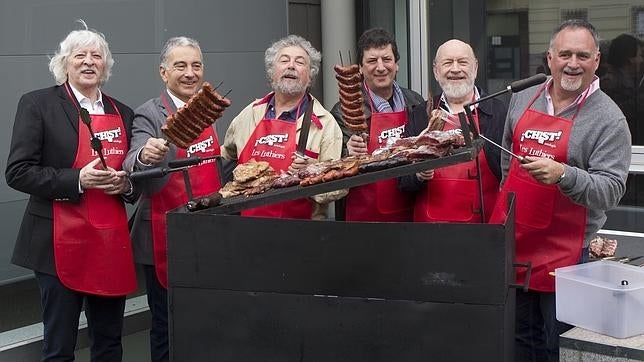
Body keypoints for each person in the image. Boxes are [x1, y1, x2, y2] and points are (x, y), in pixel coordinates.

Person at [489, 19, 631, 361]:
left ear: (596, 60)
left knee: (559, 346)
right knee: (520, 342)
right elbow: (509, 166)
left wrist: (564, 175)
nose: (572, 63)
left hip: (566, 257)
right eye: (564, 53)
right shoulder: (523, 98)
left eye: (582, 55)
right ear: (549, 57)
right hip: (516, 248)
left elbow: (611, 190)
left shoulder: (609, 119)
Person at [5, 20, 136, 361]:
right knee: (59, 346)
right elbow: (18, 172)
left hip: (109, 243)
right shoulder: (37, 104)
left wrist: (127, 183)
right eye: (80, 55)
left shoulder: (122, 112)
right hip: (56, 242)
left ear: (106, 66)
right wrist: (78, 179)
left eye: (97, 56)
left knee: (109, 342)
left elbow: (134, 175)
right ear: (64, 63)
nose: (89, 61)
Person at [122, 36, 224, 362]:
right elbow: (133, 161)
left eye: (196, 65)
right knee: (168, 326)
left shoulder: (209, 108)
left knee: (209, 320)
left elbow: (220, 166)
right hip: (165, 234)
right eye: (180, 66)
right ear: (163, 73)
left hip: (209, 234)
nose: (190, 73)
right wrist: (145, 155)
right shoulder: (149, 114)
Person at [221, 34, 343, 219]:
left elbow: (337, 189)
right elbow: (224, 154)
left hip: (300, 234)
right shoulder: (249, 114)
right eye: (284, 60)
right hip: (247, 230)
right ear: (271, 72)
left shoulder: (325, 124)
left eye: (300, 62)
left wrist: (309, 175)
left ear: (310, 77)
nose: (291, 66)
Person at [400, 39, 507, 223]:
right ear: (435, 71)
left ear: (475, 68)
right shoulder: (420, 114)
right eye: (448, 63)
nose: (455, 69)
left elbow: (510, 174)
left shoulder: (499, 112)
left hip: (485, 232)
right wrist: (418, 174)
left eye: (463, 62)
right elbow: (401, 179)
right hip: (430, 235)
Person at [331, 28, 425, 222]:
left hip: (410, 212)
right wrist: (347, 152)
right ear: (360, 68)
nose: (381, 67)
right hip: (364, 218)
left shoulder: (415, 102)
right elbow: (332, 164)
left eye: (387, 59)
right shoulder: (343, 111)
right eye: (372, 61)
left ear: (397, 64)